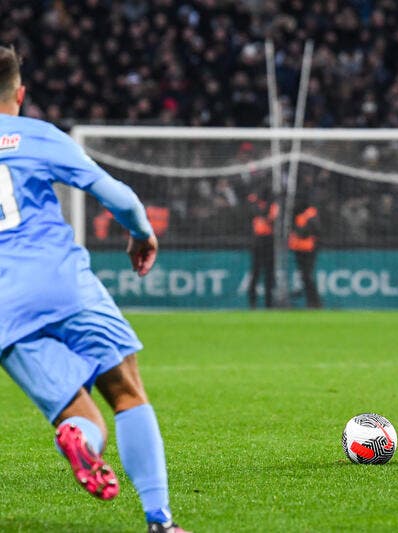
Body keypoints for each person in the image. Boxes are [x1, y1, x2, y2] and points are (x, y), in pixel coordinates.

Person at [0, 46, 188, 533]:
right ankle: (160, 522)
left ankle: (79, 438)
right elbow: (116, 196)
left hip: (4, 310)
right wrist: (142, 232)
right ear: (20, 93)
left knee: (82, 419)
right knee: (127, 392)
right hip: (63, 283)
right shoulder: (38, 136)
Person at [247, 189, 280, 308]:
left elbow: (270, 219)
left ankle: (268, 303)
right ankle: (253, 302)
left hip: (268, 241)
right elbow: (257, 214)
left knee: (267, 274)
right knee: (257, 273)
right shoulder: (255, 205)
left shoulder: (272, 206)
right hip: (258, 242)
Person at [288, 198, 322, 308]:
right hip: (299, 248)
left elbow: (314, 230)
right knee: (305, 277)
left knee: (307, 276)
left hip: (308, 249)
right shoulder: (299, 215)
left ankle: (314, 302)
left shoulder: (310, 214)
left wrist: (300, 231)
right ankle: (311, 301)